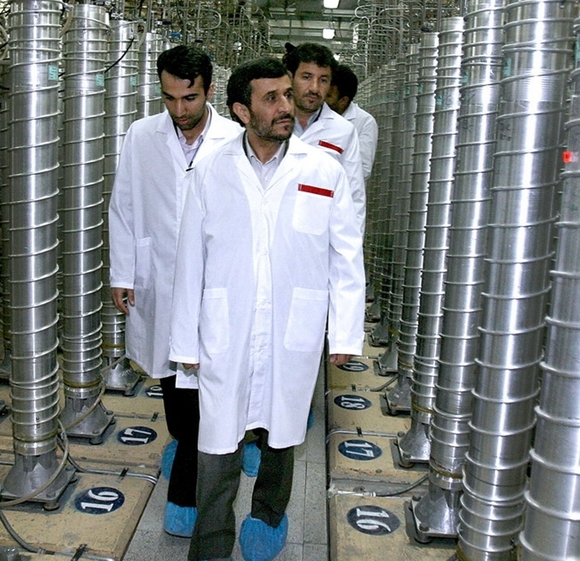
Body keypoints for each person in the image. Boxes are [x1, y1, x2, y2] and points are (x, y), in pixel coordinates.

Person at [169, 57, 365, 561]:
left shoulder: (322, 168)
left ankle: (269, 515)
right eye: (272, 98)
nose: (287, 106)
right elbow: (191, 257)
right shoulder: (211, 169)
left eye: (286, 94)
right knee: (217, 441)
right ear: (241, 110)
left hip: (292, 323)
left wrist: (344, 332)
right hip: (226, 323)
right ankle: (211, 544)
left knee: (283, 429)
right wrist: (184, 342)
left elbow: (345, 254)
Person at [108, 44, 242, 538]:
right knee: (171, 378)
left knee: (205, 391)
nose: (179, 110)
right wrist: (123, 271)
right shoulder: (142, 135)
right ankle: (186, 442)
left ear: (208, 90)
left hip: (215, 285)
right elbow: (123, 205)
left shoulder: (235, 137)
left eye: (189, 98)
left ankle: (186, 492)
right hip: (159, 279)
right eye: (169, 99)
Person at [282, 42, 366, 228]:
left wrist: (350, 251)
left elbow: (354, 196)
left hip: (319, 234)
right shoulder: (272, 122)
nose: (314, 88)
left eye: (323, 80)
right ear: (290, 77)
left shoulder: (343, 131)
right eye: (306, 77)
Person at [325, 64, 378, 181]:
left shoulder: (364, 122)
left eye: (329, 96)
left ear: (343, 100)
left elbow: (363, 169)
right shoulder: (316, 115)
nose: (323, 100)